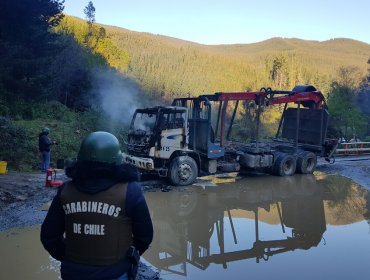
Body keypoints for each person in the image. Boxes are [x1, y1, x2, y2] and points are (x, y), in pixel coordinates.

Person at [40, 131, 153, 280]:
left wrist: (70, 258)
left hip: (73, 273)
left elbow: (49, 237)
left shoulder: (65, 191)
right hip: (115, 273)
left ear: (80, 159)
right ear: (117, 158)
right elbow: (144, 237)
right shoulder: (130, 191)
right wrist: (125, 258)